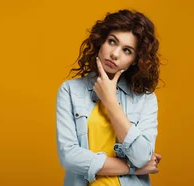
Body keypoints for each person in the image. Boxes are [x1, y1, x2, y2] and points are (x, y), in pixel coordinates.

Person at [55, 9, 162, 186]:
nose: (115, 54)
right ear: (101, 41)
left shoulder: (146, 100)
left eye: (127, 50)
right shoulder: (70, 91)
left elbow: (142, 157)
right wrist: (132, 168)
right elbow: (69, 157)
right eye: (112, 42)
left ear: (135, 60)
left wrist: (110, 101)